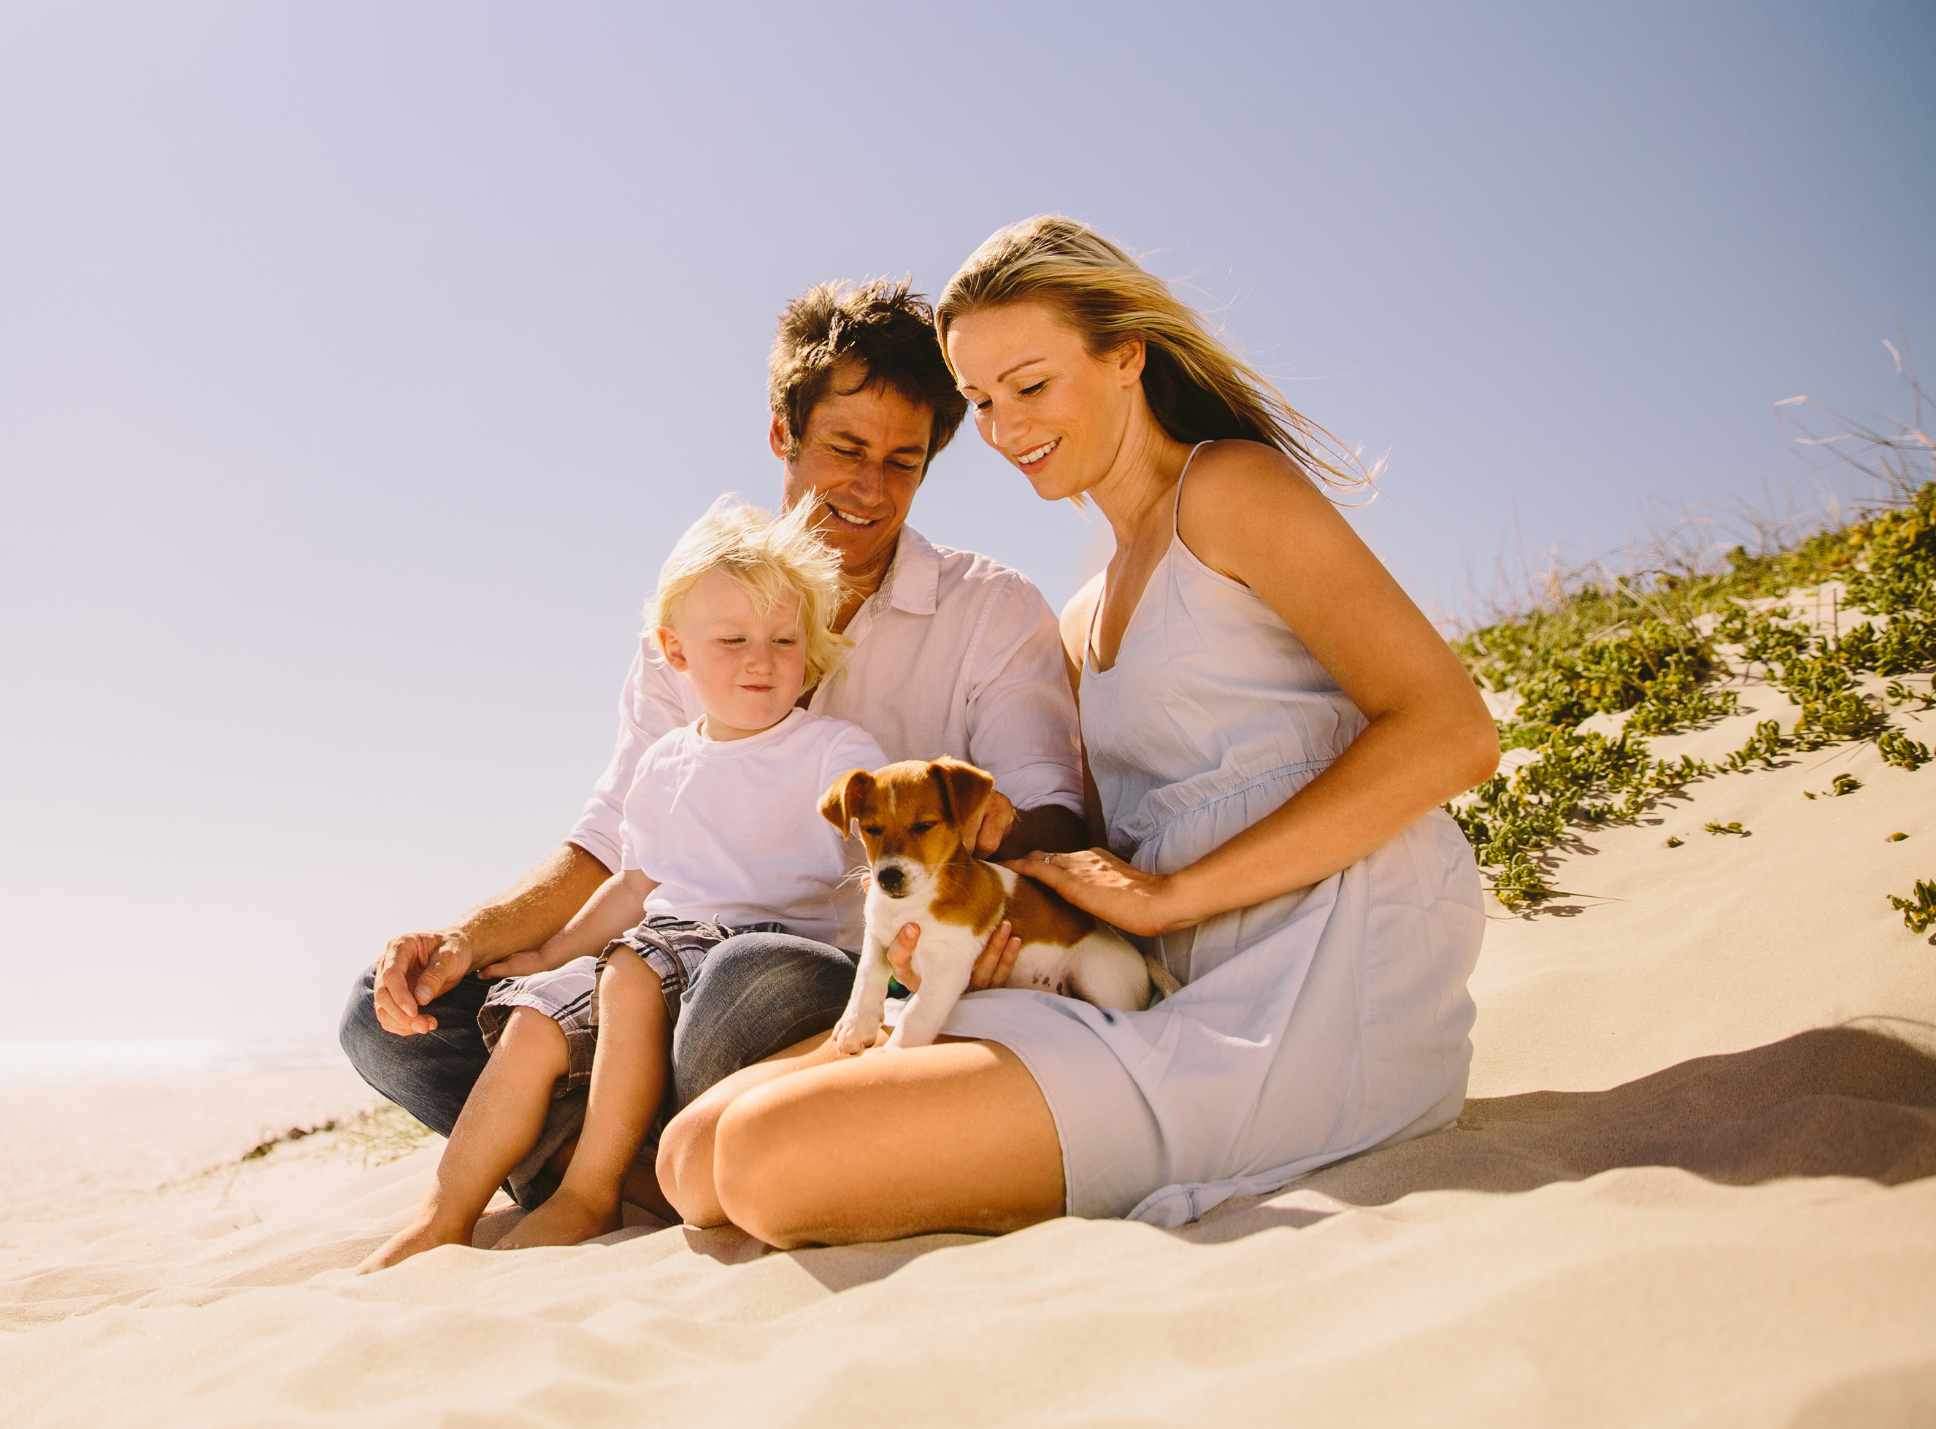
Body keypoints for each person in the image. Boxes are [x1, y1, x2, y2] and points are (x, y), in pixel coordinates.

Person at [653, 216, 1500, 1244]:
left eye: (1030, 384)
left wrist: (1168, 896)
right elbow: (1096, 851)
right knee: (690, 1156)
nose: (1006, 428)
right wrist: (1009, 912)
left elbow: (1452, 733)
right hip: (1153, 981)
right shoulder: (1081, 613)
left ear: (1124, 353)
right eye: (980, 400)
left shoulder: (1229, 488)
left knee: (762, 1162)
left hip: (1316, 979)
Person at [339, 279, 1086, 1208]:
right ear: (784, 434)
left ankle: (626, 1161)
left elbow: (1046, 808)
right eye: (844, 450)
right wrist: (466, 942)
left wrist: (972, 907)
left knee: (741, 982)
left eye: (903, 462)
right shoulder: (699, 608)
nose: (870, 489)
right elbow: (616, 838)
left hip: (839, 970)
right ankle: (646, 1164)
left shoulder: (990, 608)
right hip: (661, 958)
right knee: (386, 1022)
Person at [361, 501, 887, 1270]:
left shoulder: (830, 748)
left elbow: (884, 836)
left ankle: (588, 1191)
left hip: (765, 954)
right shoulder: (667, 761)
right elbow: (637, 881)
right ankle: (444, 1215)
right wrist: (552, 952)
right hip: (657, 945)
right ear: (677, 653)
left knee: (633, 970)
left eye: (783, 639)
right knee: (539, 1019)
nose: (761, 660)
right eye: (733, 640)